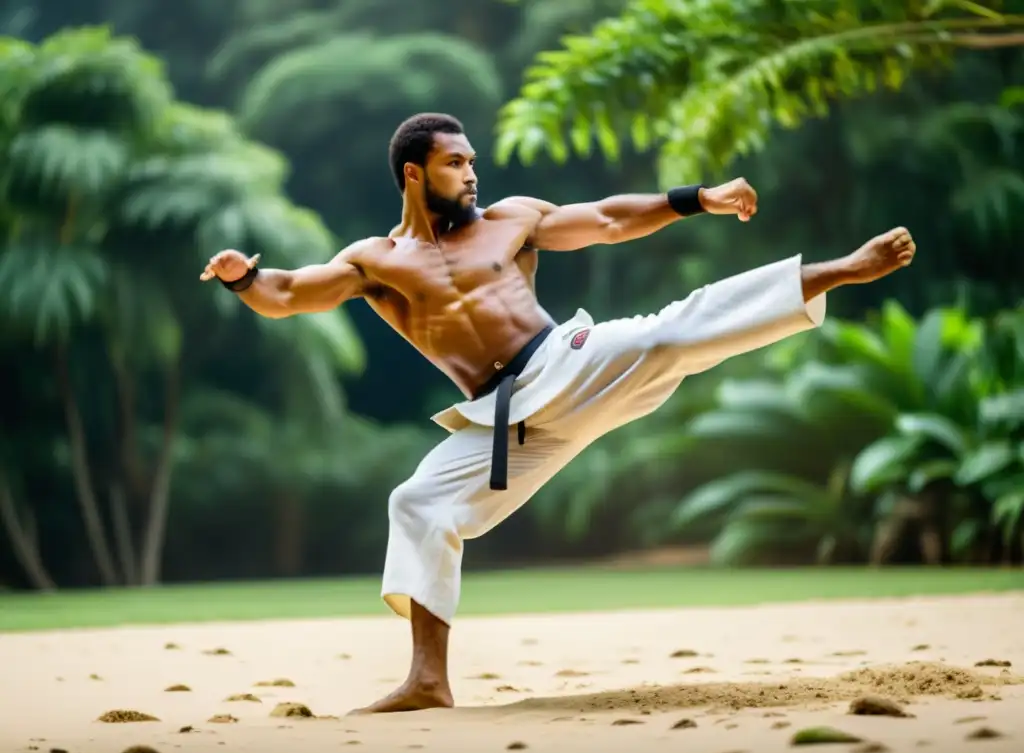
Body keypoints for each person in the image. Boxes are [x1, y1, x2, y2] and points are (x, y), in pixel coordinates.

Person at [200, 112, 916, 714]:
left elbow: (607, 219)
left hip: (565, 360)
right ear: (415, 174)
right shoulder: (376, 262)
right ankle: (427, 680)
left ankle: (836, 270)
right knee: (417, 502)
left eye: (473, 160)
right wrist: (245, 279)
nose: (472, 174)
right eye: (455, 163)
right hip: (503, 415)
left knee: (669, 333)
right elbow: (291, 292)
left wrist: (701, 197)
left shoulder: (510, 221)